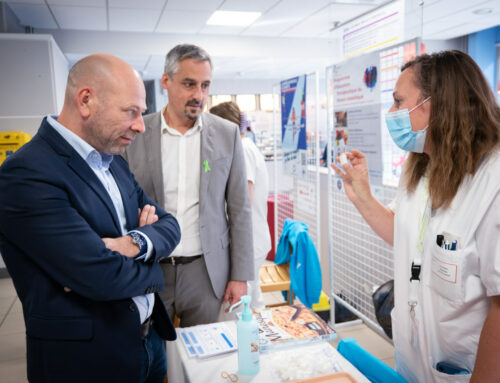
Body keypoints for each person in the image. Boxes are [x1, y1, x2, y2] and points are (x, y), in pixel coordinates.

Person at [0, 54, 181, 383]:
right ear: (86, 101)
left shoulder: (112, 160)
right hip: (89, 361)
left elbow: (170, 225)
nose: (141, 125)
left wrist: (133, 242)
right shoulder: (25, 175)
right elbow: (101, 276)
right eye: (131, 112)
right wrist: (154, 259)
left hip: (149, 341)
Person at [331, 50, 500, 382]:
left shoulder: (492, 180)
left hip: (465, 366)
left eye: (398, 101)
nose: (391, 112)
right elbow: (405, 235)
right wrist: (362, 196)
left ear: (435, 104)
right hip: (414, 357)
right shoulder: (423, 165)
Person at [124, 44, 254, 326]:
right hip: (150, 267)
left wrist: (240, 276)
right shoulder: (136, 133)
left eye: (205, 85)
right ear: (166, 82)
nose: (199, 95)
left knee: (205, 361)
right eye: (189, 84)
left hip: (206, 272)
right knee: (152, 359)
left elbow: (240, 209)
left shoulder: (226, 134)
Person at [209, 101, 271, 310]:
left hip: (249, 240)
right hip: (255, 238)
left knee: (239, 305)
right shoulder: (245, 146)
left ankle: (249, 342)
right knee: (253, 302)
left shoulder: (242, 149)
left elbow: (244, 199)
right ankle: (259, 341)